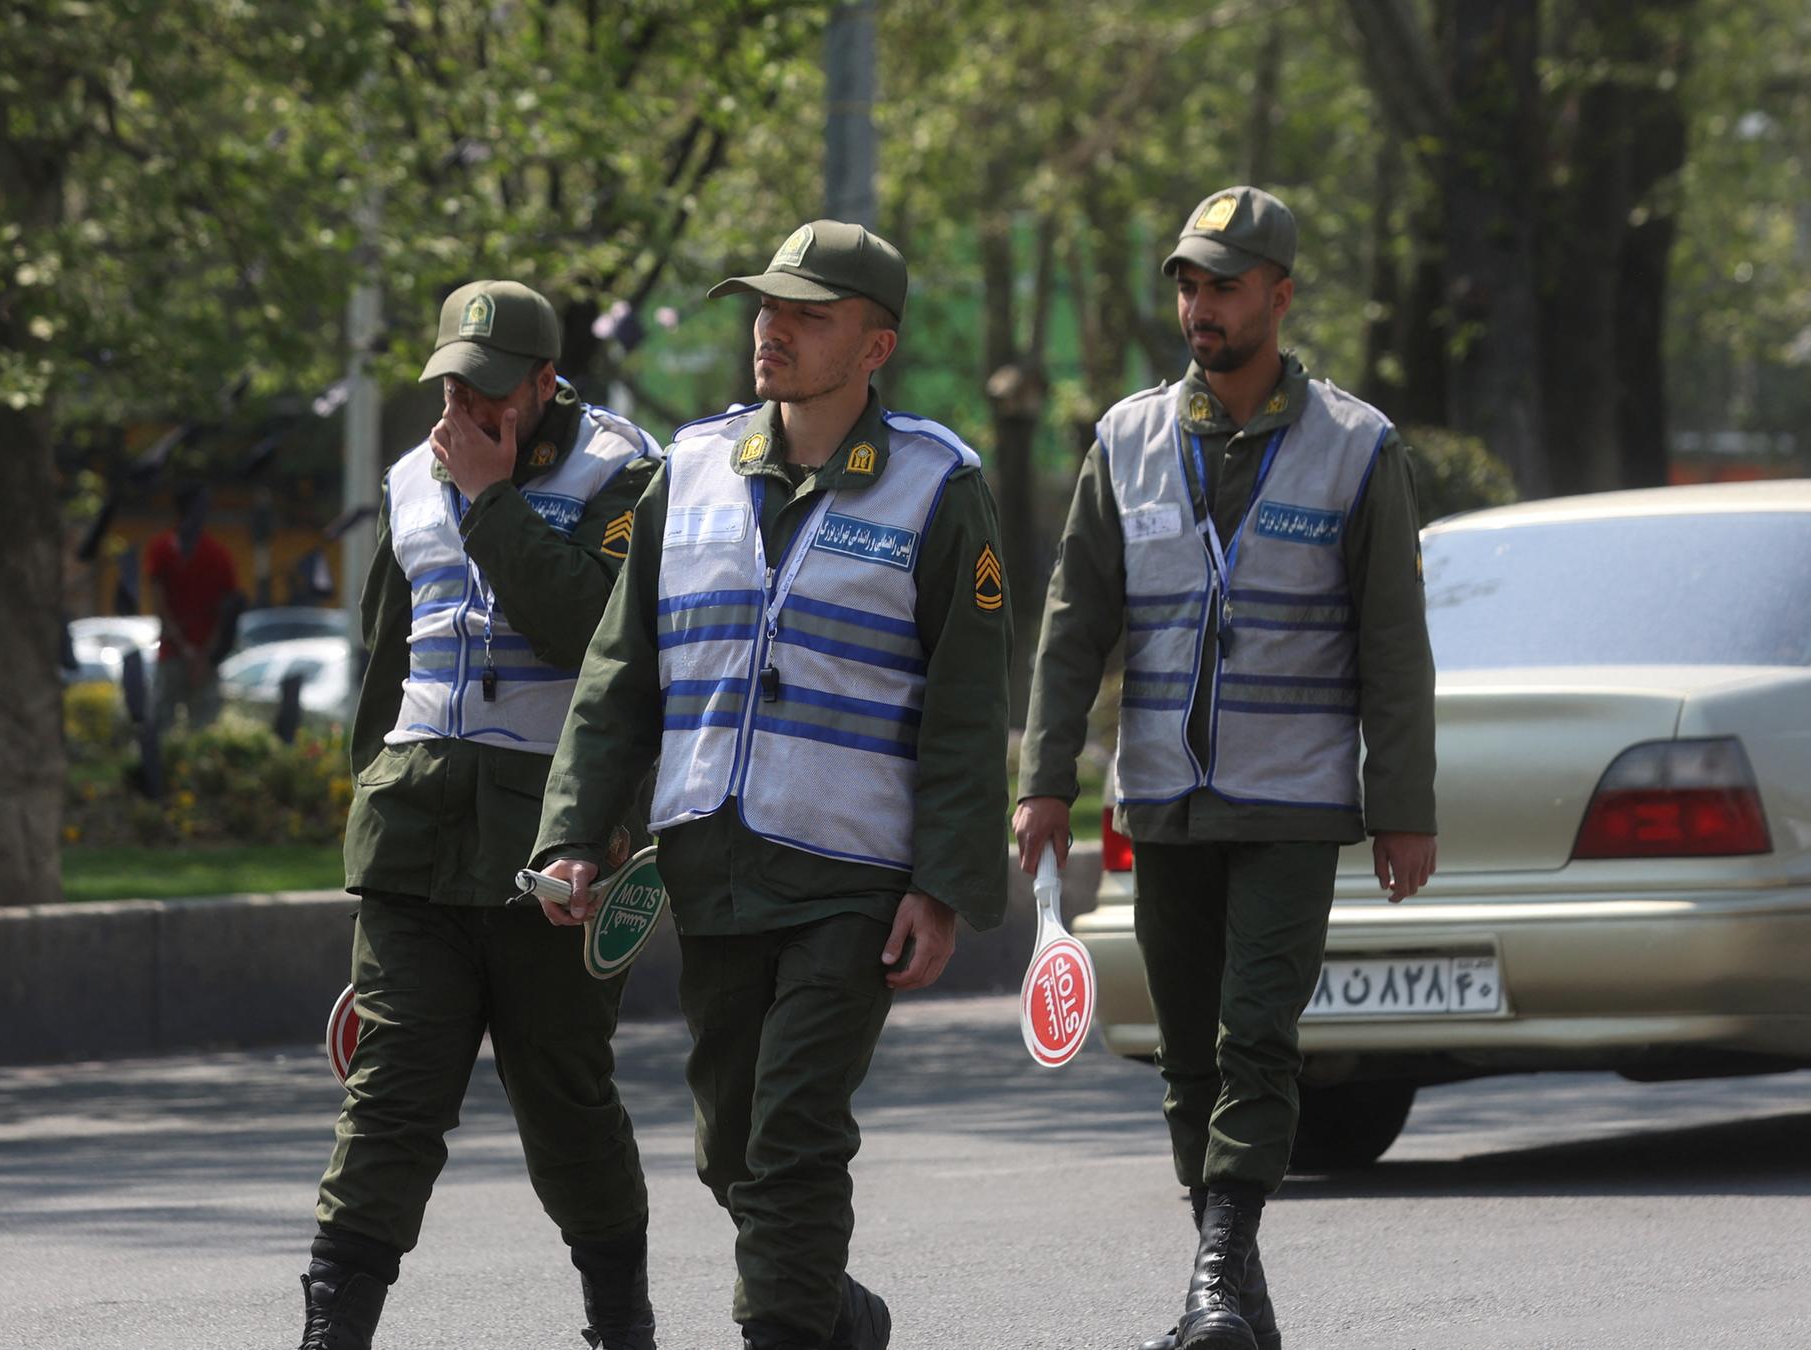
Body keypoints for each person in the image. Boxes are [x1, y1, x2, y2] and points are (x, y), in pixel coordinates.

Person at [529, 220, 1012, 1350]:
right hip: (713, 865)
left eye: (808, 314)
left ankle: (787, 1328)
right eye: (766, 308)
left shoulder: (938, 485)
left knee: (792, 1137)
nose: (772, 330)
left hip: (852, 873)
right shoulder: (689, 470)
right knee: (733, 1150)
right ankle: (835, 1313)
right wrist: (574, 833)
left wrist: (942, 883)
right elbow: (620, 672)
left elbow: (968, 703)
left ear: (876, 344)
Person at [1013, 186, 1439, 1350]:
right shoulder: (1128, 439)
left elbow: (1396, 649)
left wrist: (1403, 808)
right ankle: (1236, 1302)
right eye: (1190, 285)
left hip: (1295, 802)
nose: (1201, 306)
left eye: (1226, 285)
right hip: (1163, 799)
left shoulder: (1358, 449)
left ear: (1282, 297)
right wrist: (1047, 781)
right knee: (1189, 1055)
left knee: (1258, 1035)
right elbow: (1073, 622)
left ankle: (1211, 1275)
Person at [296, 280, 663, 1350]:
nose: (466, 406)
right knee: (389, 1103)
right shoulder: (411, 478)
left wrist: (496, 500)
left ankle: (619, 1324)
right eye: (453, 383)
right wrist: (369, 805)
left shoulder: (624, 473)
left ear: (547, 384)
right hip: (413, 845)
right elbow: (386, 666)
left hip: (551, 852)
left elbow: (597, 637)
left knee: (565, 1104)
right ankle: (332, 1334)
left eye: (493, 389)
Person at [143, 483, 240, 729]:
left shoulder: (215, 553)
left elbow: (225, 610)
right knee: (191, 727)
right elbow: (160, 604)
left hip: (189, 655)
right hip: (181, 654)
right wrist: (197, 653)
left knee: (183, 727)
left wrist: (198, 653)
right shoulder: (164, 549)